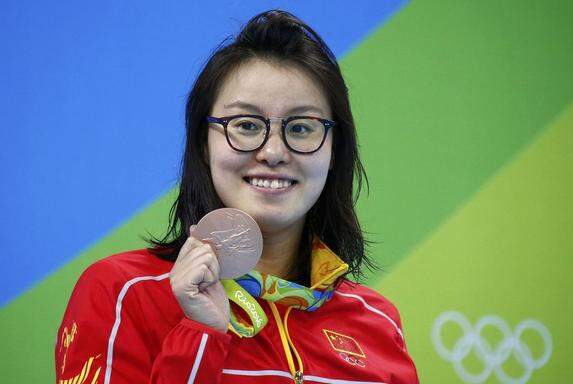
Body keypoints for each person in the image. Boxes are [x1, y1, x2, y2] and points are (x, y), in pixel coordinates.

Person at [55, 9, 419, 384]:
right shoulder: (123, 292)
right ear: (204, 143)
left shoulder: (377, 321)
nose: (274, 152)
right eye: (245, 125)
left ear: (333, 152)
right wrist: (199, 337)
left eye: (301, 127)